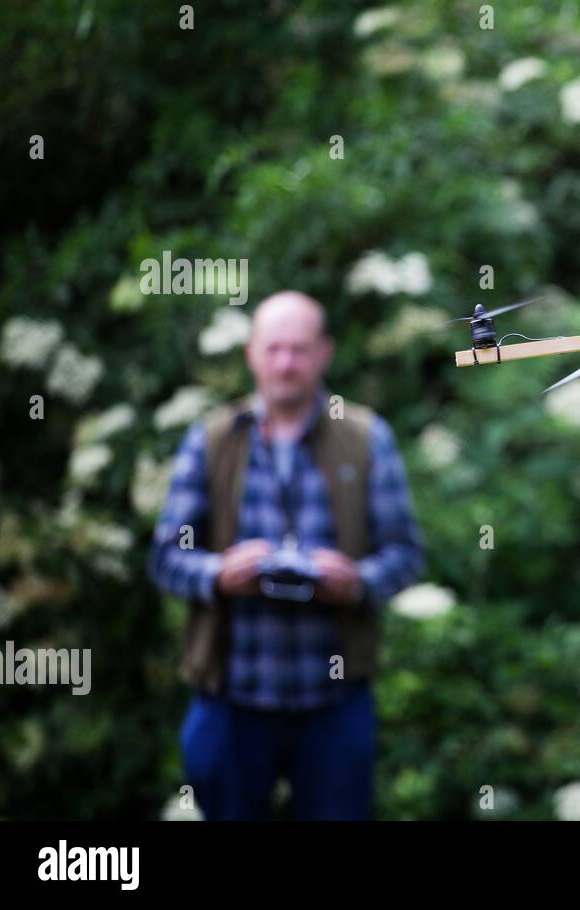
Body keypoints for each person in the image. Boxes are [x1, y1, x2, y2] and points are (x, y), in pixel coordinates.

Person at [148, 290, 424, 820]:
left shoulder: (367, 438)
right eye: (274, 349)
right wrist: (219, 574)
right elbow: (165, 556)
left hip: (334, 702)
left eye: (299, 349)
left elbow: (405, 554)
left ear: (325, 353)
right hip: (231, 698)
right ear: (251, 353)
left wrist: (357, 582)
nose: (286, 363)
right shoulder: (210, 440)